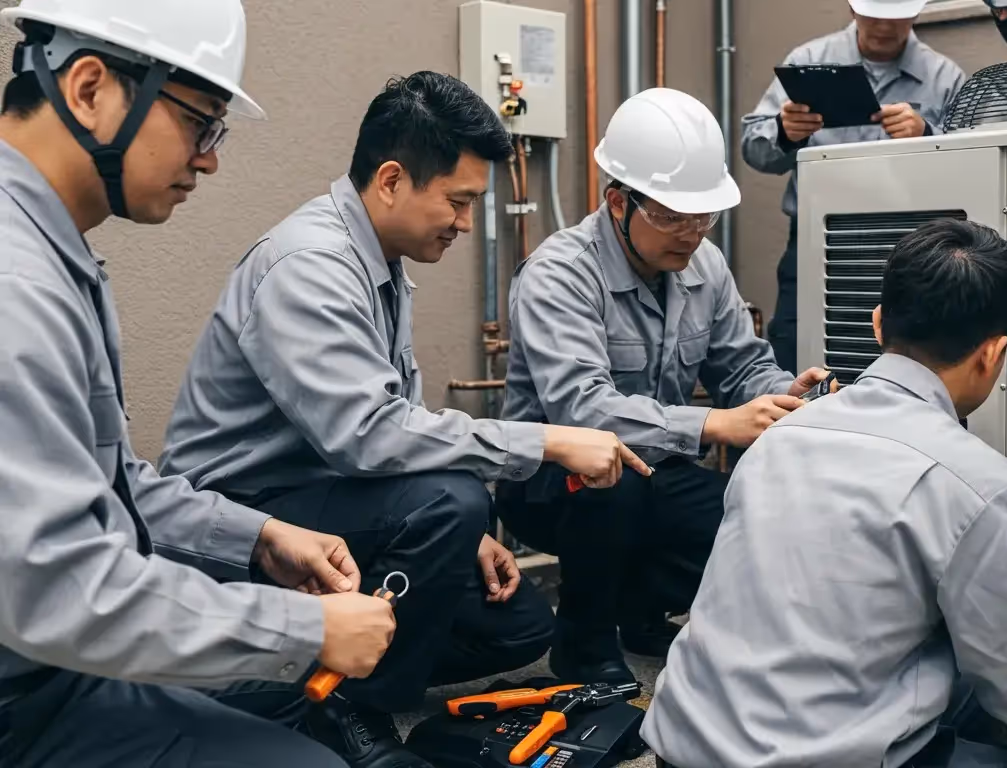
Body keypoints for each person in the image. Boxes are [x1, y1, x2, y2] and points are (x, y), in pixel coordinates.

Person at [158, 71, 649, 766]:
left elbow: (396, 426)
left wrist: (461, 542)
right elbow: (370, 435)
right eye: (458, 201)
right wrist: (544, 442)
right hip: (248, 524)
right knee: (452, 500)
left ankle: (292, 678)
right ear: (390, 180)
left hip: (326, 505)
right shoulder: (311, 265)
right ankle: (348, 706)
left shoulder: (380, 266)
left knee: (517, 626)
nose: (465, 222)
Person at [0, 1, 401, 766]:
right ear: (89, 89)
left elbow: (107, 482)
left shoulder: (52, 250)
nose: (210, 158)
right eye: (199, 123)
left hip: (62, 657)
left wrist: (260, 539)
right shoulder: (16, 284)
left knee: (293, 683)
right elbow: (61, 590)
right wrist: (307, 630)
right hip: (31, 697)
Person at [641, 219, 1007, 768]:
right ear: (994, 355)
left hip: (681, 748)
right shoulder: (981, 487)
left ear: (878, 324)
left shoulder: (778, 436)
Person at [497, 87, 830, 685]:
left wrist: (790, 398)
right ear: (617, 201)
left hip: (657, 463)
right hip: (550, 477)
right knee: (610, 483)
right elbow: (583, 411)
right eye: (672, 216)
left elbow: (741, 367)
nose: (691, 232)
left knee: (746, 517)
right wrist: (713, 424)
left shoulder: (704, 266)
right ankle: (583, 642)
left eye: (703, 216)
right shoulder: (559, 273)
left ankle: (639, 610)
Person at [742, 0, 967, 373]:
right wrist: (784, 132)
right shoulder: (808, 60)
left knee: (911, 354)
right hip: (817, 242)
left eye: (894, 17)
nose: (883, 26)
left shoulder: (944, 76)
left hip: (912, 245)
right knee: (800, 348)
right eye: (873, 14)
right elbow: (753, 147)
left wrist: (928, 135)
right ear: (851, 8)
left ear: (915, 13)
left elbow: (973, 160)